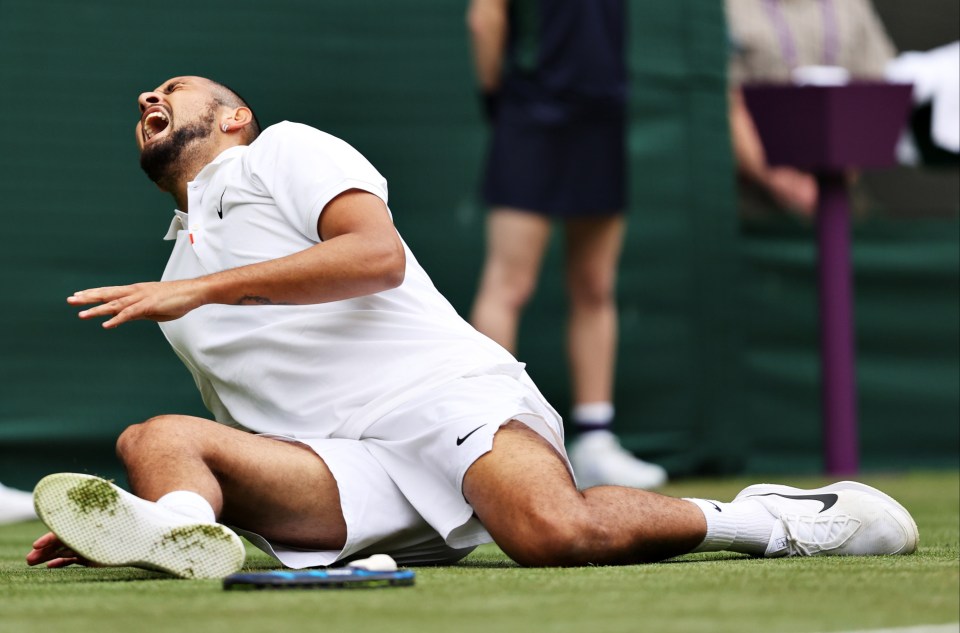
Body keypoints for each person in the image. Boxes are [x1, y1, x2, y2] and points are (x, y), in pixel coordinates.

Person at [26, 76, 918, 579]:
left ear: (233, 118)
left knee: (549, 534)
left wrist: (207, 290)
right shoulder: (178, 276)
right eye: (142, 95)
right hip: (343, 467)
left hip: (444, 395)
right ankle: (174, 531)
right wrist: (133, 516)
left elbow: (371, 257)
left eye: (174, 89)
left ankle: (767, 521)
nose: (149, 94)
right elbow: (249, 425)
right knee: (155, 435)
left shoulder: (283, 152)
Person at [466, 0, 667, 489]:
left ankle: (595, 439)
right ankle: (484, 437)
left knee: (595, 284)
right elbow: (484, 17)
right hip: (531, 110)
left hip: (601, 111)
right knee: (509, 284)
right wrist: (503, 94)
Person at [725, 0, 897, 218]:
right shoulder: (730, 8)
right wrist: (781, 180)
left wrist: (843, 169)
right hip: (750, 198)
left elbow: (878, 94)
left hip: (841, 191)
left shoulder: (851, 6)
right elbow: (727, 103)